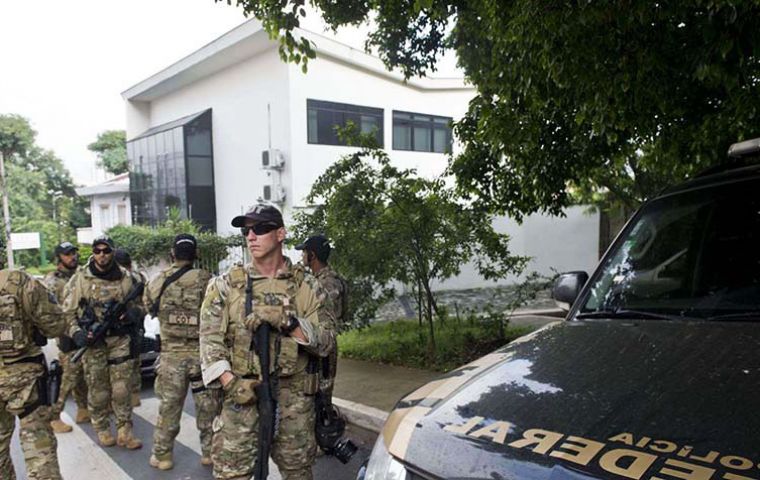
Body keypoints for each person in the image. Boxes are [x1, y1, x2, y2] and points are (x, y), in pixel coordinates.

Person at [200, 204, 336, 480]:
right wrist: (231, 382)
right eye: (246, 230)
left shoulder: (307, 286)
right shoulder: (226, 285)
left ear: (280, 233)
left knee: (298, 473)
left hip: (294, 401)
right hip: (243, 396)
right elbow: (209, 339)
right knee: (231, 473)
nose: (251, 236)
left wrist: (289, 322)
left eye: (260, 229)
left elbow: (327, 342)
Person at [147, 234, 221, 470]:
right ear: (196, 254)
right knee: (208, 406)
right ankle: (209, 453)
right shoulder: (208, 280)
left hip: (171, 356)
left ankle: (162, 455)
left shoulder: (158, 281)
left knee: (169, 407)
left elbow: (149, 308)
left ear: (172, 254)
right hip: (202, 356)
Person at [63, 236, 145, 449]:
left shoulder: (127, 278)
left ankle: (124, 430)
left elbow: (142, 305)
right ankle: (101, 428)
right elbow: (67, 312)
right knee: (98, 390)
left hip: (120, 339)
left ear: (112, 251)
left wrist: (133, 314)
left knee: (121, 389)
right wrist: (76, 333)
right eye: (97, 250)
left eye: (106, 251)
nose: (101, 255)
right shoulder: (81, 278)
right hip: (93, 341)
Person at [0, 267, 66, 479]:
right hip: (24, 377)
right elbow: (55, 325)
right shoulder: (18, 281)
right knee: (39, 448)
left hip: (23, 377)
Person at [295, 235, 349, 402]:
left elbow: (327, 314)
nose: (302, 256)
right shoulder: (318, 279)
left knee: (322, 395)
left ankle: (326, 424)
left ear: (312, 255)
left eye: (304, 252)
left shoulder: (327, 283)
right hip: (313, 341)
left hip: (323, 345)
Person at [44, 241, 90, 433]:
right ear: (59, 258)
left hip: (83, 330)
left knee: (80, 375)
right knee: (68, 377)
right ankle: (53, 416)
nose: (73, 257)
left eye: (74, 253)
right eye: (67, 254)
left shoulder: (80, 275)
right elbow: (50, 311)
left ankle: (83, 409)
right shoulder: (52, 281)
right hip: (66, 333)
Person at [113, 248, 146, 408]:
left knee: (129, 361)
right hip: (131, 326)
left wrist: (136, 312)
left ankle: (130, 395)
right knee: (133, 361)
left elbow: (147, 302)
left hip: (130, 325)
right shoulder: (138, 277)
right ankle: (132, 394)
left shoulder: (135, 278)